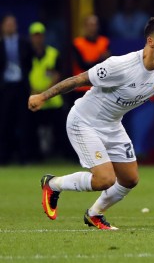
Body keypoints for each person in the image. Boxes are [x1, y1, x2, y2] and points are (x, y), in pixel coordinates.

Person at [31, 17, 154, 230]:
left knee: (130, 179)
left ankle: (94, 214)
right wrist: (42, 96)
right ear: (151, 41)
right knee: (104, 180)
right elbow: (77, 80)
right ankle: (53, 184)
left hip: (112, 124)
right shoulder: (120, 66)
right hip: (84, 121)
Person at [27, 22, 70, 160]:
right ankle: (35, 157)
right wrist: (33, 91)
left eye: (40, 35)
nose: (37, 39)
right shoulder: (26, 54)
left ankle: (64, 156)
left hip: (53, 99)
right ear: (31, 37)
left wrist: (45, 93)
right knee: (32, 131)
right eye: (35, 36)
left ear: (44, 36)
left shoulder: (53, 53)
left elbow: (58, 75)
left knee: (61, 130)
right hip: (33, 98)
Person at [0, 14, 34, 164]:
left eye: (12, 24)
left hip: (21, 86)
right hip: (5, 88)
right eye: (7, 24)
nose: (10, 26)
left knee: (24, 122)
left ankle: (24, 156)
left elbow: (29, 63)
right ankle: (4, 156)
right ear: (2, 26)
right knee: (4, 122)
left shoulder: (24, 43)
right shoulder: (1, 43)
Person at [71, 15, 110, 100]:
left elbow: (108, 64)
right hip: (82, 88)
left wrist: (93, 61)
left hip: (99, 87)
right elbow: (83, 65)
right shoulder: (78, 43)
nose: (92, 28)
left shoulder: (104, 42)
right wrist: (100, 59)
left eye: (95, 25)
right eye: (90, 25)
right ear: (85, 27)